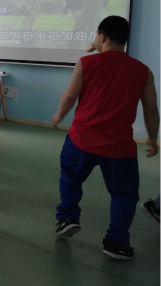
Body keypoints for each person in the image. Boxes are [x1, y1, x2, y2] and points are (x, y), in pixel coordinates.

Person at [50, 16, 159, 261]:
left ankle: (67, 218)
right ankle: (116, 242)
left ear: (102, 36)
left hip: (81, 139)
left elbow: (71, 95)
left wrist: (59, 115)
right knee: (124, 194)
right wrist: (153, 139)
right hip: (119, 146)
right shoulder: (143, 71)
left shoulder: (86, 63)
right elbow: (151, 109)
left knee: (70, 177)